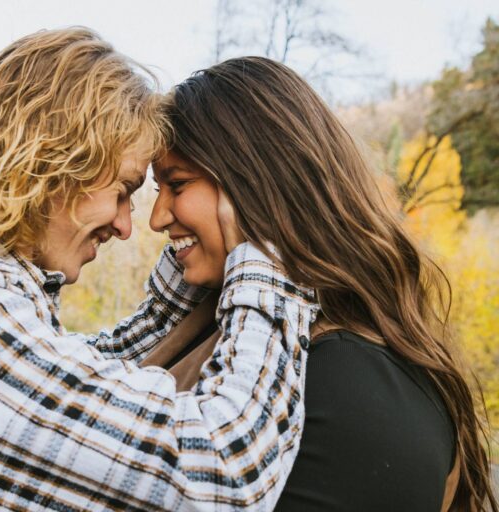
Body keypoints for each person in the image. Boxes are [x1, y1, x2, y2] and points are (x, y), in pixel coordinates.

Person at [0, 29, 318, 510]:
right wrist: (264, 264)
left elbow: (87, 381)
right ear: (53, 164)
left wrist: (182, 290)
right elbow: (221, 476)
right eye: (123, 191)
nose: (129, 225)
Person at [149, 56, 498, 511]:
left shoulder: (352, 383)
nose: (157, 217)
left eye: (176, 184)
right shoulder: (219, 331)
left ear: (254, 184)